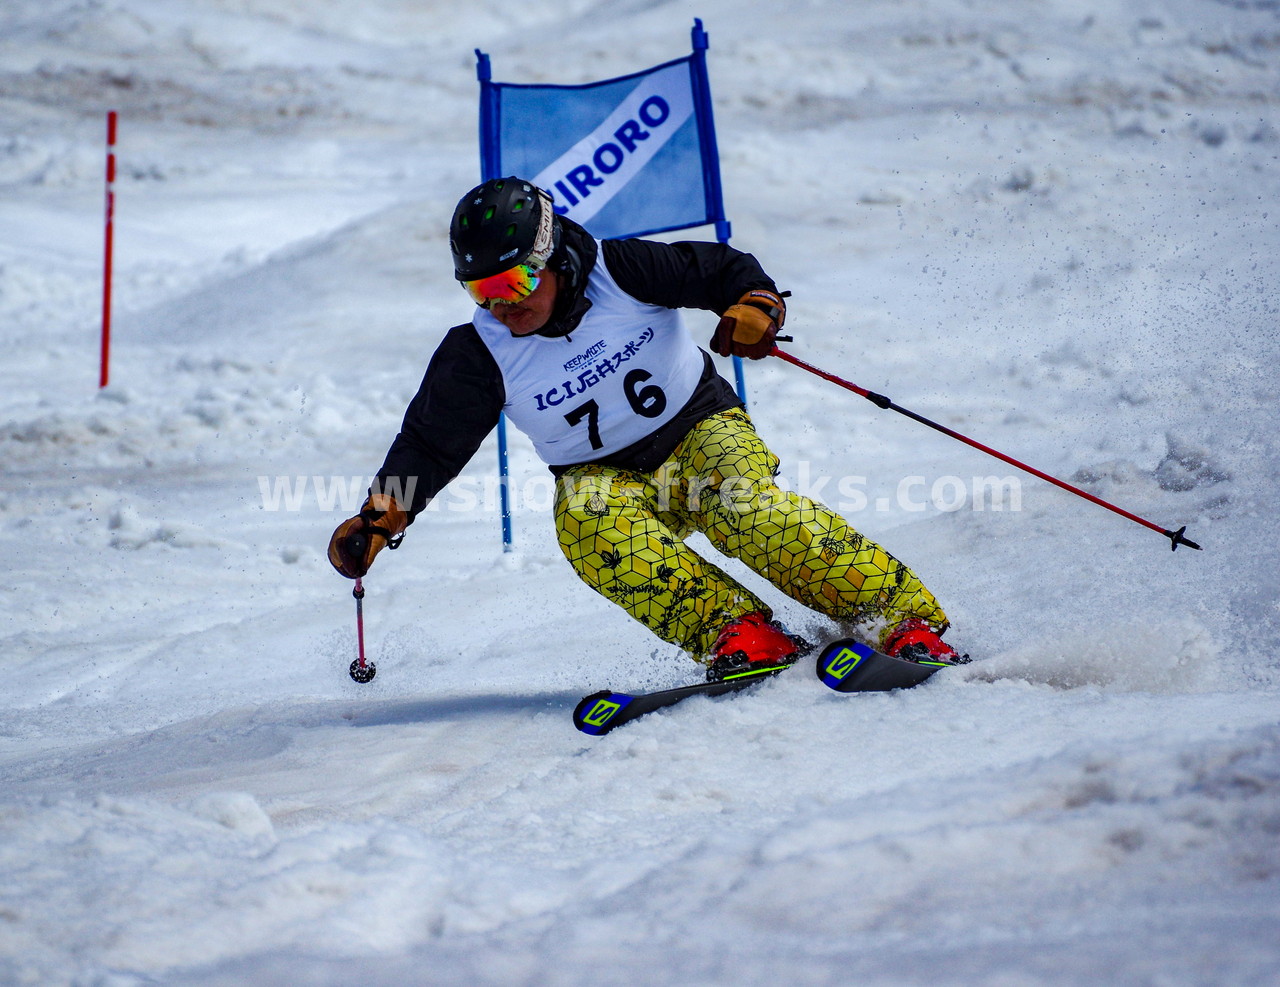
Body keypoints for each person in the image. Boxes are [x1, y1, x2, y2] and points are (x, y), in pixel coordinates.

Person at [328, 176, 962, 680]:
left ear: (550, 260)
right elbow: (431, 444)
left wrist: (755, 306)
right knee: (586, 523)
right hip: (601, 475)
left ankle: (896, 618)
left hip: (698, 429)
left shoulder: (620, 269)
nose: (503, 303)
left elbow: (720, 269)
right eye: (481, 289)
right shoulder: (478, 353)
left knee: (746, 512)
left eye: (514, 280)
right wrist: (382, 516)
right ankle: (735, 632)